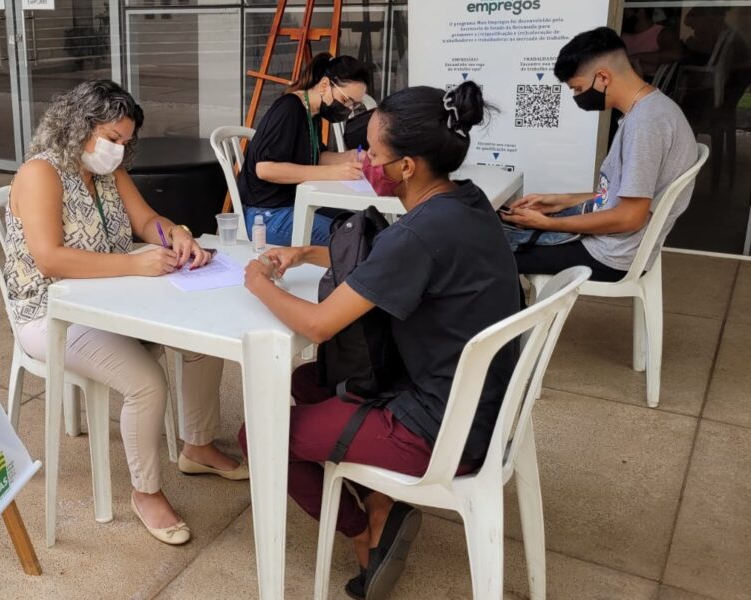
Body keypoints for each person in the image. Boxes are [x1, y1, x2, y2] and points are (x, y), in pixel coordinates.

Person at [241, 82, 519, 599]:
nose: (364, 161)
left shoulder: (418, 234)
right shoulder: (465, 203)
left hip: (440, 429)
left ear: (407, 166)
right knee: (310, 378)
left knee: (256, 434)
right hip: (481, 403)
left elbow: (320, 323)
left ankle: (365, 532)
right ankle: (378, 498)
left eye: (373, 153)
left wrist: (257, 283)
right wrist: (305, 253)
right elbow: (384, 263)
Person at [3, 80, 244, 546]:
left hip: (111, 303)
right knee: (146, 384)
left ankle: (197, 445)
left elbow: (146, 220)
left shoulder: (110, 175)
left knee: (201, 342)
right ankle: (146, 493)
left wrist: (176, 234)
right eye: (112, 139)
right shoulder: (41, 174)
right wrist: (133, 264)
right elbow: (50, 258)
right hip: (50, 315)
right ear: (79, 127)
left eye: (125, 142)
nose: (118, 150)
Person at [501, 27, 697, 283]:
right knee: (501, 235)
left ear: (603, 77)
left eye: (578, 88)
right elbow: (623, 196)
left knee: (492, 253)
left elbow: (630, 217)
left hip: (609, 255)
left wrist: (548, 224)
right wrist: (562, 201)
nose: (577, 96)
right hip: (612, 244)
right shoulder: (649, 111)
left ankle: (516, 321)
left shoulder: (646, 125)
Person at [237, 53, 371, 246]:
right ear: (325, 85)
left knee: (360, 223)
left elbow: (316, 157)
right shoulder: (290, 109)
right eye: (346, 100)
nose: (348, 109)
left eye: (353, 105)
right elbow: (265, 169)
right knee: (353, 240)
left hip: (293, 204)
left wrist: (351, 156)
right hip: (265, 216)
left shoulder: (312, 113)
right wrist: (332, 172)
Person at [620, 7, 684, 79]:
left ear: (641, 12)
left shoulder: (662, 33)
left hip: (645, 84)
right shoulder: (621, 33)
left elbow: (676, 55)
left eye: (625, 11)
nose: (622, 15)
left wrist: (636, 57)